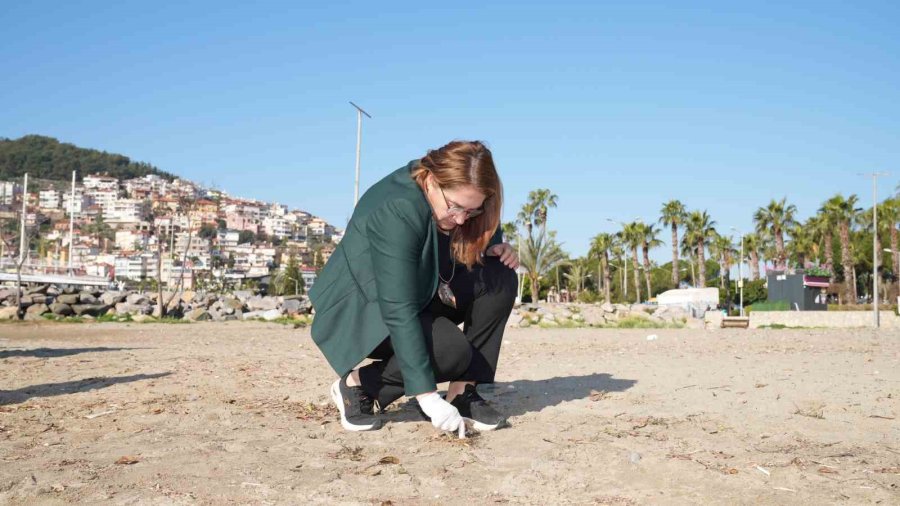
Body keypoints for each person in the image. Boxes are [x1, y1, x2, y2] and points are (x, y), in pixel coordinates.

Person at [308, 140, 519, 434]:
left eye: (471, 211)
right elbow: (397, 306)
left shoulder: (462, 201)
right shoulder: (398, 207)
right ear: (432, 181)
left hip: (424, 291)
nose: (460, 219)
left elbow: (478, 223)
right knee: (450, 352)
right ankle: (359, 386)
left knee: (500, 276)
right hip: (370, 307)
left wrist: (494, 248)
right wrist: (428, 397)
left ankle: (462, 392)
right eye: (454, 207)